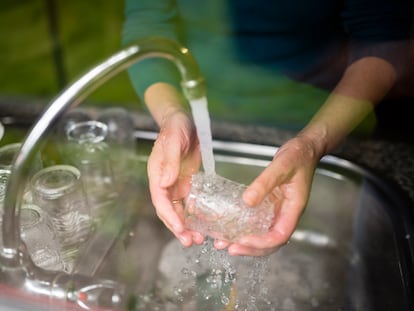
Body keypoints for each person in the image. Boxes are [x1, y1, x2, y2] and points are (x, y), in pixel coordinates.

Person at [122, 0, 412, 256]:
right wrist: (172, 116)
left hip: (327, 120)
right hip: (206, 123)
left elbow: (382, 39)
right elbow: (147, 22)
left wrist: (312, 143)